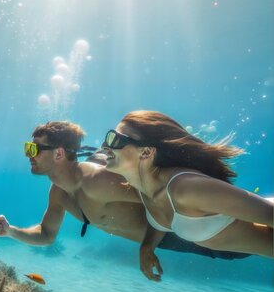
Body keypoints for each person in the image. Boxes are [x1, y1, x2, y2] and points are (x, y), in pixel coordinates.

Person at [0, 121, 248, 282]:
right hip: (176, 238)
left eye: (33, 149)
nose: (28, 155)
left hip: (188, 224)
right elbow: (46, 234)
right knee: (251, 245)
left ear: (58, 153)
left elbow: (162, 197)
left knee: (254, 231)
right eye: (28, 148)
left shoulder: (98, 180)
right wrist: (11, 231)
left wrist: (147, 248)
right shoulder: (57, 192)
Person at [100, 110, 273, 275]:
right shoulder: (144, 188)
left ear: (146, 152)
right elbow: (159, 219)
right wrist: (147, 247)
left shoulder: (186, 189)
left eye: (114, 139)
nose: (104, 145)